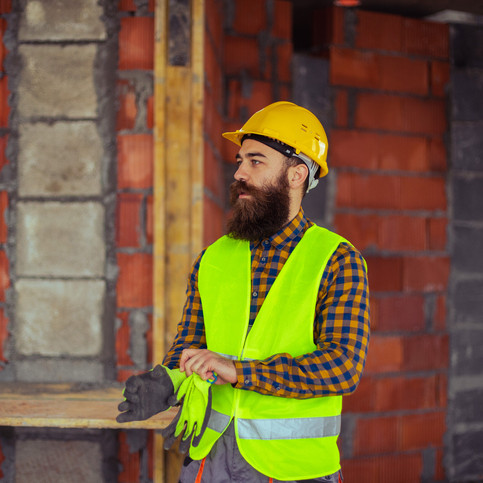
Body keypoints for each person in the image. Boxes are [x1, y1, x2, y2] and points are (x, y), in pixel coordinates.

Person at [119, 101, 370, 483]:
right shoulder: (214, 257)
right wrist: (167, 380)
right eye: (240, 161)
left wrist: (238, 371)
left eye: (256, 161)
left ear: (296, 174)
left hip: (292, 469)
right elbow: (190, 345)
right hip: (209, 458)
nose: (239, 173)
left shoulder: (337, 260)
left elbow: (342, 366)